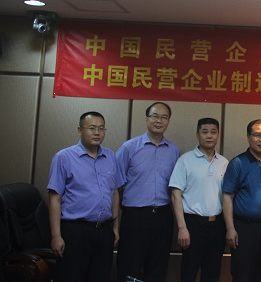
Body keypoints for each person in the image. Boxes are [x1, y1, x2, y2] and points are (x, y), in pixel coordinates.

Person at [47, 111, 124, 282]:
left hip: (104, 231)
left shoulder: (110, 156)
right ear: (79, 130)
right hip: (75, 231)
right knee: (71, 276)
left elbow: (114, 192)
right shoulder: (64, 157)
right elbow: (54, 199)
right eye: (92, 128)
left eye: (101, 128)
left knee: (100, 276)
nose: (97, 132)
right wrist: (56, 236)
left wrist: (115, 227)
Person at [116, 101, 180, 282]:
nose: (159, 121)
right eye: (155, 116)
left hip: (163, 216)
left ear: (168, 121)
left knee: (158, 268)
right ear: (146, 119)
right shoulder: (129, 148)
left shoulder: (174, 150)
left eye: (164, 117)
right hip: (135, 216)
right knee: (129, 266)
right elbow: (116, 184)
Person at [222, 119, 261, 282]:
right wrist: (230, 228)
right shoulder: (237, 163)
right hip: (244, 228)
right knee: (242, 274)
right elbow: (227, 196)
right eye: (257, 135)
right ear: (248, 137)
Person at [169, 117, 229, 282]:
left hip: (217, 225)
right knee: (189, 272)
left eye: (213, 132)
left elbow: (228, 197)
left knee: (212, 273)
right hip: (193, 224)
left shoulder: (224, 162)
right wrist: (182, 227)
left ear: (218, 135)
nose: (209, 136)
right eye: (204, 132)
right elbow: (175, 195)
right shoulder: (185, 160)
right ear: (197, 134)